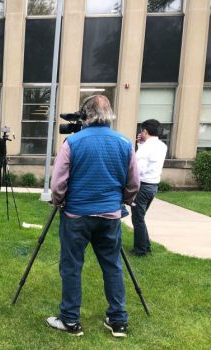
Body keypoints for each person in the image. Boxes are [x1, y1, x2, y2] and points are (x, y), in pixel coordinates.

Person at [48, 95, 140, 338]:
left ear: (85, 115)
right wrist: (123, 201)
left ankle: (69, 319)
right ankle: (118, 320)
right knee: (112, 266)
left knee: (71, 267)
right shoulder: (124, 142)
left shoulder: (73, 142)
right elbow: (134, 183)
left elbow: (58, 183)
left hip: (76, 214)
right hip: (109, 215)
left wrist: (58, 201)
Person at [131, 119, 167, 256]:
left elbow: (139, 169)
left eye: (142, 131)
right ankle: (146, 246)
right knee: (140, 217)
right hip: (153, 186)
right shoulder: (162, 146)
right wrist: (141, 144)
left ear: (144, 131)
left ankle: (140, 250)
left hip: (143, 186)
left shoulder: (146, 148)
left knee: (137, 218)